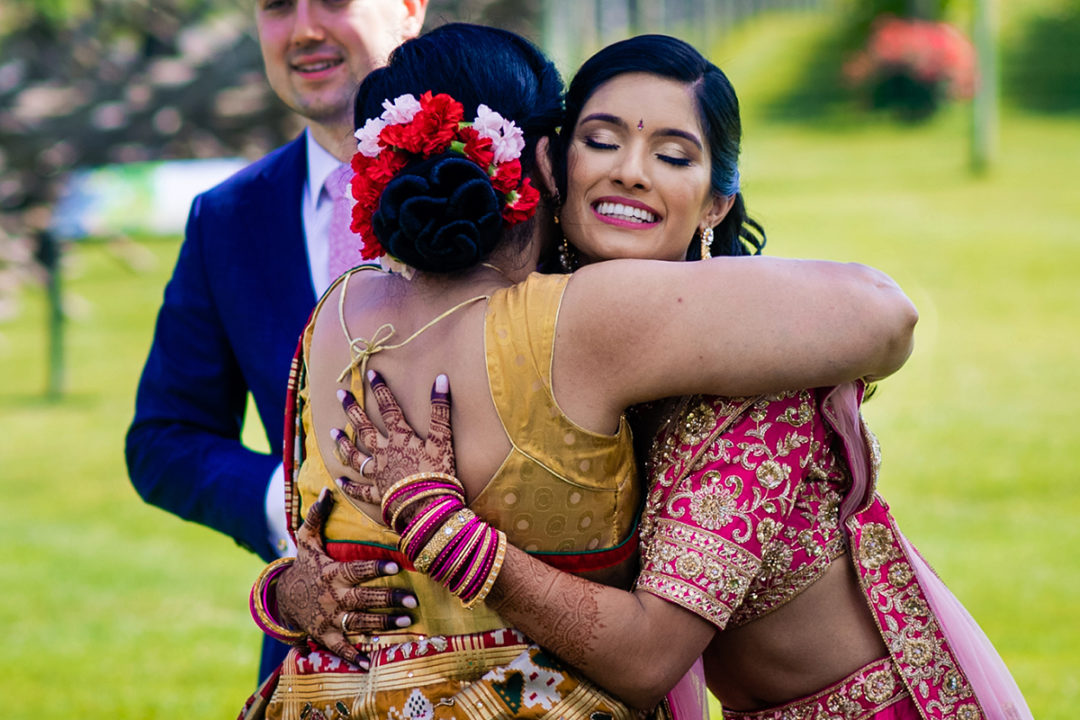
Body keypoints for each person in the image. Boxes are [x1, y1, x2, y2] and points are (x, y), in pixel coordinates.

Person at [326, 35, 1032, 720]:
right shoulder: (553, 341)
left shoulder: (752, 386)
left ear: (716, 204)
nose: (632, 171)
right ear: (551, 168)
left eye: (672, 154)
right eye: (602, 141)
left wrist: (443, 528)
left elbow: (644, 659)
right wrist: (297, 592)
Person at [125, 0, 427, 681]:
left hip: (515, 652)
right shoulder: (228, 219)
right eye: (277, 6)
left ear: (409, 7)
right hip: (317, 662)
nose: (305, 29)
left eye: (334, 1)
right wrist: (292, 505)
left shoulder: (515, 182)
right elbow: (163, 437)